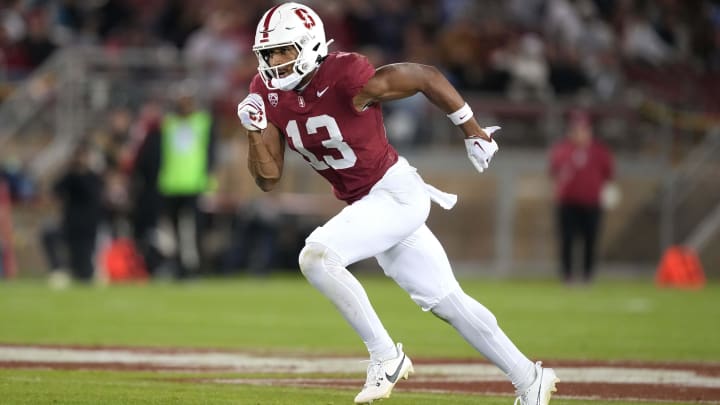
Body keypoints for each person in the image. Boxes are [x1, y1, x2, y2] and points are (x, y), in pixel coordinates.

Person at [237, 3, 558, 405]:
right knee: (449, 303)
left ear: (310, 45)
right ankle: (530, 378)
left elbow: (425, 76)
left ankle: (386, 355)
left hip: (394, 193)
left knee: (316, 257)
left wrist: (471, 129)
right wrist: (254, 130)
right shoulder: (265, 93)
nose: (274, 63)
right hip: (368, 205)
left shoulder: (344, 74)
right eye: (267, 54)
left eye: (283, 51)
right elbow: (268, 179)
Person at [157, 84, 217, 279]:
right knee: (173, 232)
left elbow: (211, 152)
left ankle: (195, 267)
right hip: (171, 183)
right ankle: (178, 266)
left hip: (194, 184)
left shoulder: (203, 122)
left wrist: (209, 178)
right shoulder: (168, 123)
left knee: (194, 230)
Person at [549, 110, 614, 284]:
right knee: (567, 239)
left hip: (592, 203)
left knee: (590, 239)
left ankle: (588, 275)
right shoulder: (563, 150)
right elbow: (554, 172)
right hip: (568, 203)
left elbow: (608, 174)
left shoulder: (599, 151)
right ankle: (567, 275)